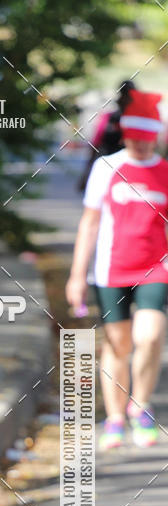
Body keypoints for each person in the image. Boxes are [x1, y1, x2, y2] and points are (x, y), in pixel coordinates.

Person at [66, 89, 168, 450]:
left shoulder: (164, 172)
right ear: (126, 133)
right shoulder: (106, 168)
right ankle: (113, 417)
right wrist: (77, 276)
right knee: (118, 344)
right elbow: (89, 224)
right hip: (110, 270)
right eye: (135, 138)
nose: (141, 145)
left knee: (151, 336)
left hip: (155, 266)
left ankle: (140, 406)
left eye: (147, 138)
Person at [77, 80, 136, 192]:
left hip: (129, 170)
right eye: (124, 95)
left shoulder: (138, 121)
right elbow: (96, 145)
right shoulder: (108, 118)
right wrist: (86, 175)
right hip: (108, 167)